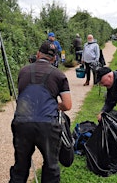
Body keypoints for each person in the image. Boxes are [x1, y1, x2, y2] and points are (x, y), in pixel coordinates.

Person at [10, 40, 72, 183]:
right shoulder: (59, 75)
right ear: (54, 58)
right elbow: (67, 105)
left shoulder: (23, 71)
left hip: (22, 123)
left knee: (20, 167)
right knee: (51, 166)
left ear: (38, 54)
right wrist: (55, 106)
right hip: (47, 125)